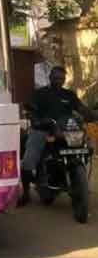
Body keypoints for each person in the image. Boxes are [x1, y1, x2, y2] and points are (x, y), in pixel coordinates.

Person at [19, 66, 96, 206]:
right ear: (50, 77)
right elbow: (30, 108)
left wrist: (91, 115)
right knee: (30, 158)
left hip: (65, 130)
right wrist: (35, 119)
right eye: (56, 78)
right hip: (43, 130)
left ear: (64, 79)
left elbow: (80, 108)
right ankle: (26, 194)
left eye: (61, 78)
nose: (59, 80)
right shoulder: (40, 94)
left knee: (85, 146)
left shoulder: (69, 95)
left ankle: (75, 178)